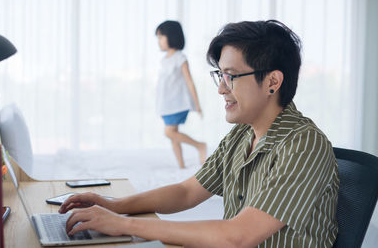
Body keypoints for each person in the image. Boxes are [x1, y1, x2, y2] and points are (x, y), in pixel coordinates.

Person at [59, 20, 339, 247]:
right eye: (219, 75)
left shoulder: (304, 145)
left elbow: (238, 236)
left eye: (231, 76)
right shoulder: (242, 134)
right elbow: (185, 192)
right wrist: (115, 206)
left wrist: (124, 225)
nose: (221, 88)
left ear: (272, 82)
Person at [155, 20, 206, 168]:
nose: (159, 41)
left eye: (161, 37)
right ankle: (181, 165)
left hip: (177, 103)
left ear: (171, 37)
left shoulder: (180, 57)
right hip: (165, 104)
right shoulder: (164, 60)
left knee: (169, 132)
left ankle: (199, 145)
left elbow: (190, 82)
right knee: (173, 135)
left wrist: (197, 104)